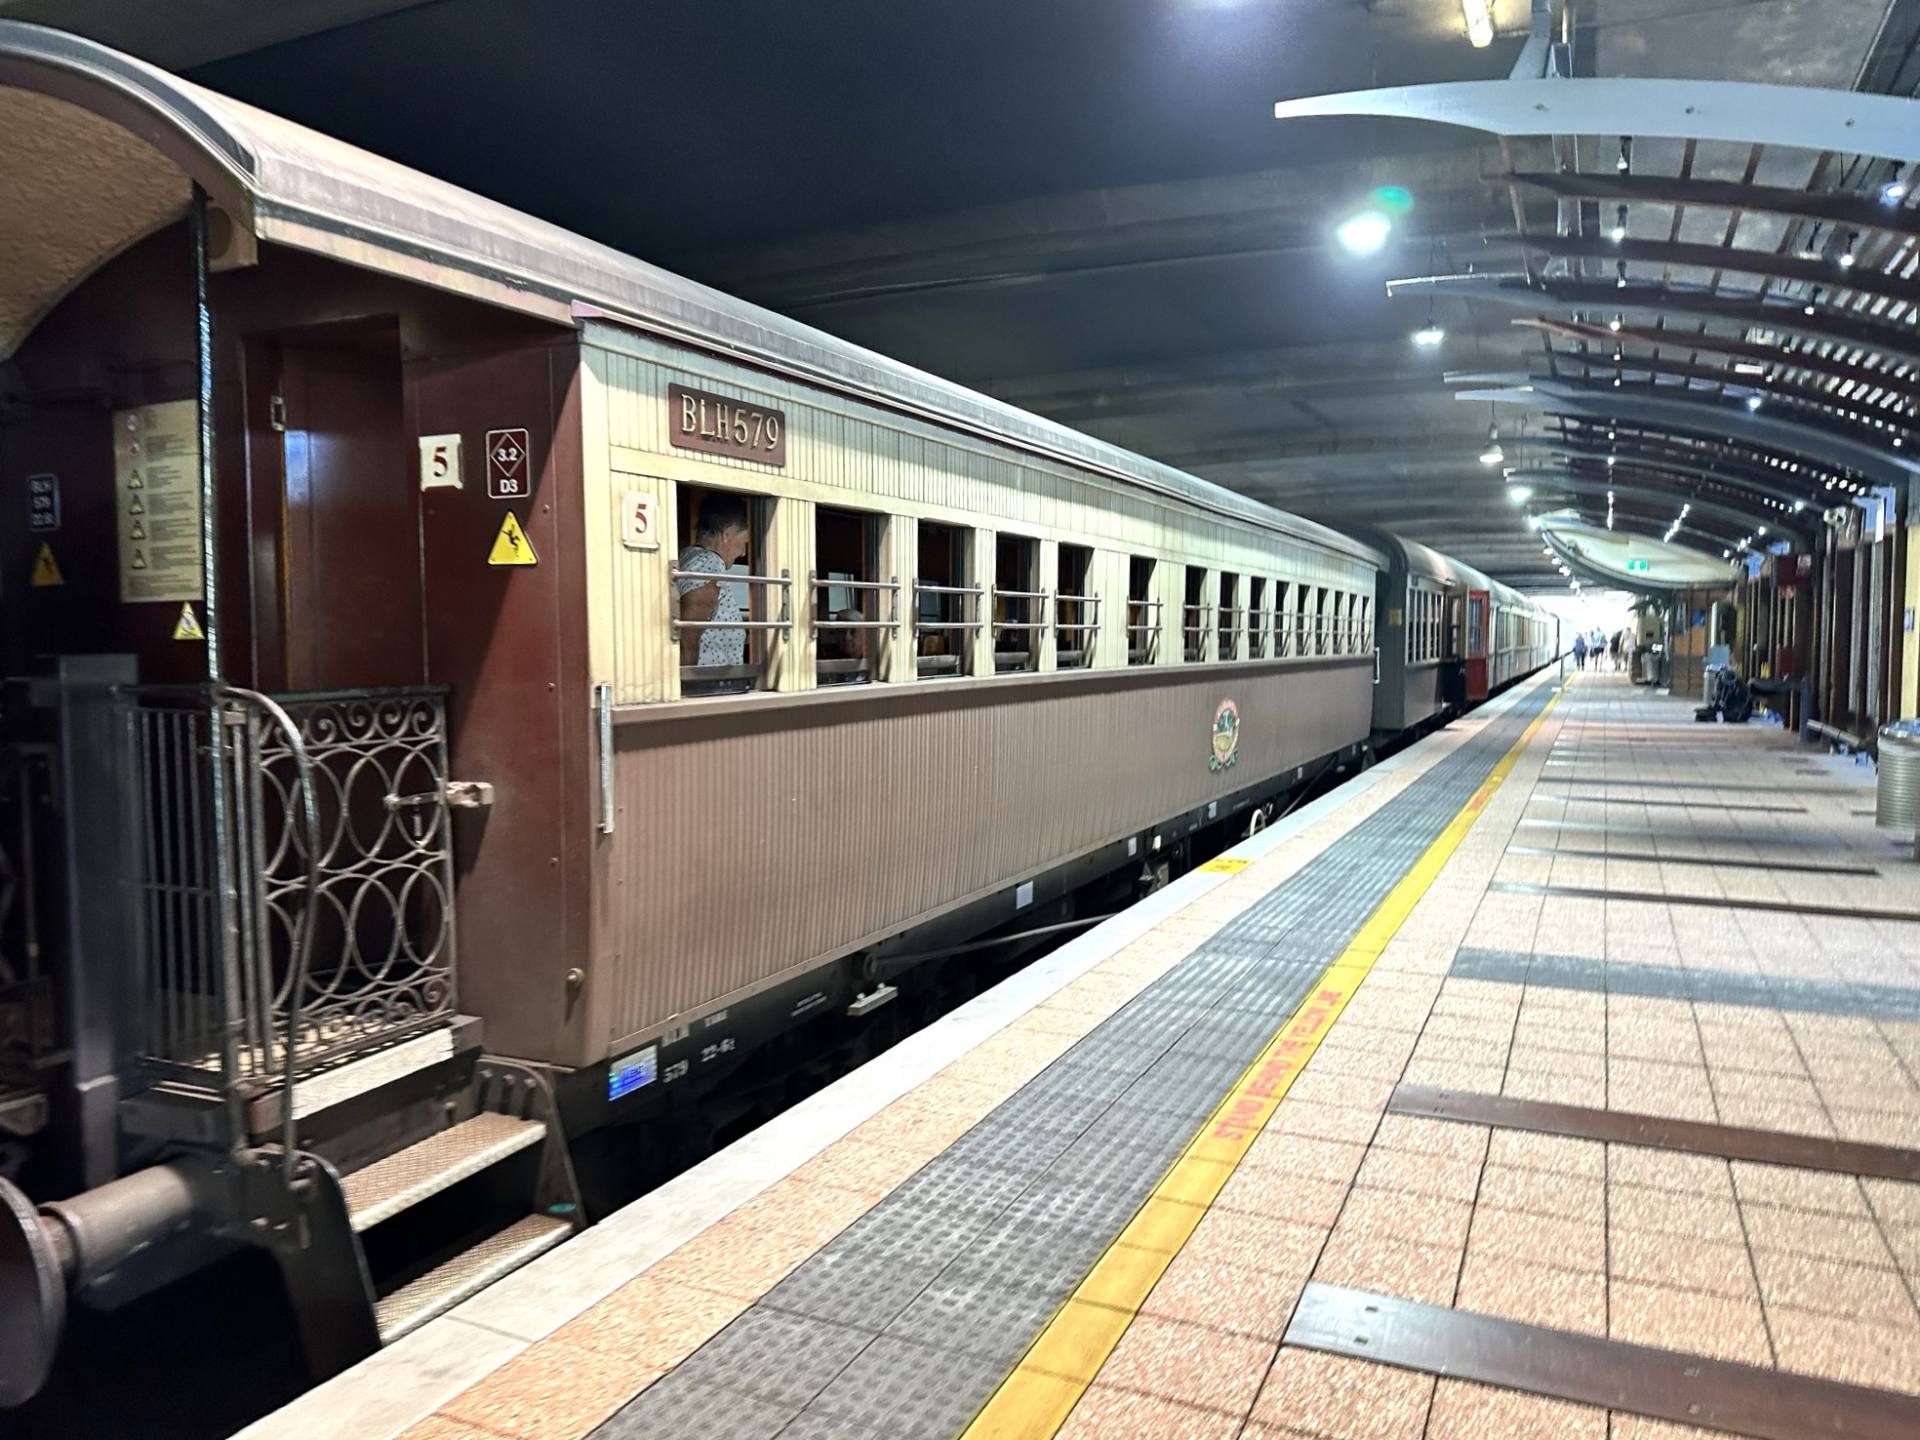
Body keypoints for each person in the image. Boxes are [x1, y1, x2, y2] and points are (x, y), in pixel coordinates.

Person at [674, 493, 751, 667]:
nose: (744, 552)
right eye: (744, 542)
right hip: (709, 687)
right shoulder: (709, 564)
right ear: (727, 535)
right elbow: (688, 638)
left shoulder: (687, 556)